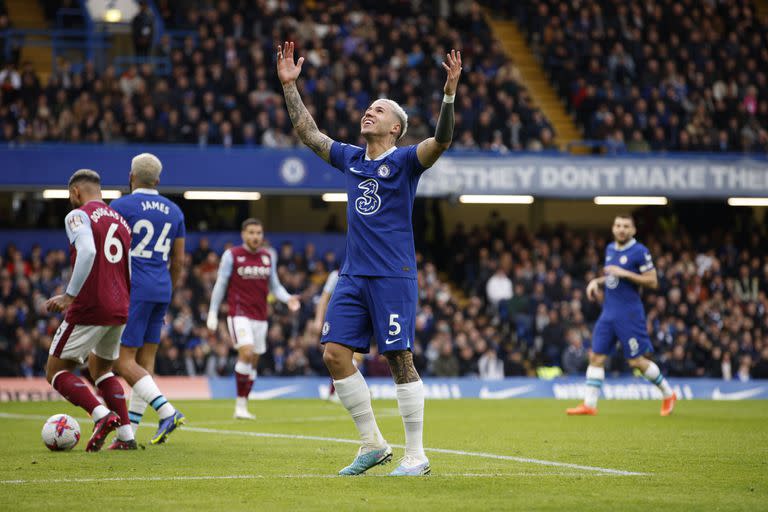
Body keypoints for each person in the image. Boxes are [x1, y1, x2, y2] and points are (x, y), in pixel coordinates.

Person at [277, 41, 462, 476]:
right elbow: (308, 133)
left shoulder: (405, 162)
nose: (369, 112)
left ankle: (416, 455)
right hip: (354, 275)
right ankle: (373, 444)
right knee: (334, 354)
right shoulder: (351, 159)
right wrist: (289, 87)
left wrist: (449, 94)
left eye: (379, 110)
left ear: (396, 128)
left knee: (399, 359)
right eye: (369, 108)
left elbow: (444, 139)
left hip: (393, 275)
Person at [44, 169, 136, 451]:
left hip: (91, 305)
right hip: (120, 305)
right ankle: (126, 436)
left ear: (75, 192)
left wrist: (70, 295)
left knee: (56, 371)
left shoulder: (78, 215)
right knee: (102, 370)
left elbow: (88, 251)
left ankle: (101, 415)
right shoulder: (120, 221)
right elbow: (128, 267)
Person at [110, 153, 186, 444]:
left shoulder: (120, 207)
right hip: (161, 287)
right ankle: (132, 432)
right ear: (158, 180)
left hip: (135, 289)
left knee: (122, 361)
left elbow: (110, 253)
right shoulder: (174, 211)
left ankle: (167, 412)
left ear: (131, 177)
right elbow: (178, 261)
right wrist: (170, 287)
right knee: (146, 359)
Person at [567, 215, 677, 416]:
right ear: (613, 228)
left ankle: (668, 394)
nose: (621, 229)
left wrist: (625, 273)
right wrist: (597, 282)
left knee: (636, 361)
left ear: (633, 230)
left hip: (629, 314)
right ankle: (589, 405)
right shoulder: (610, 249)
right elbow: (613, 276)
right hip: (608, 313)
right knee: (596, 356)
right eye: (618, 226)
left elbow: (652, 281)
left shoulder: (640, 251)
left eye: (626, 226)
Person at [207, 218, 300, 419]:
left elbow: (275, 286)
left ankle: (244, 405)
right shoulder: (232, 255)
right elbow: (221, 285)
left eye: (258, 233)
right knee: (246, 352)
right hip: (239, 314)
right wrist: (213, 312)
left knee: (254, 361)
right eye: (251, 232)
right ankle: (239, 407)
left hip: (260, 317)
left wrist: (288, 299)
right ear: (243, 234)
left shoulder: (268, 256)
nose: (255, 236)